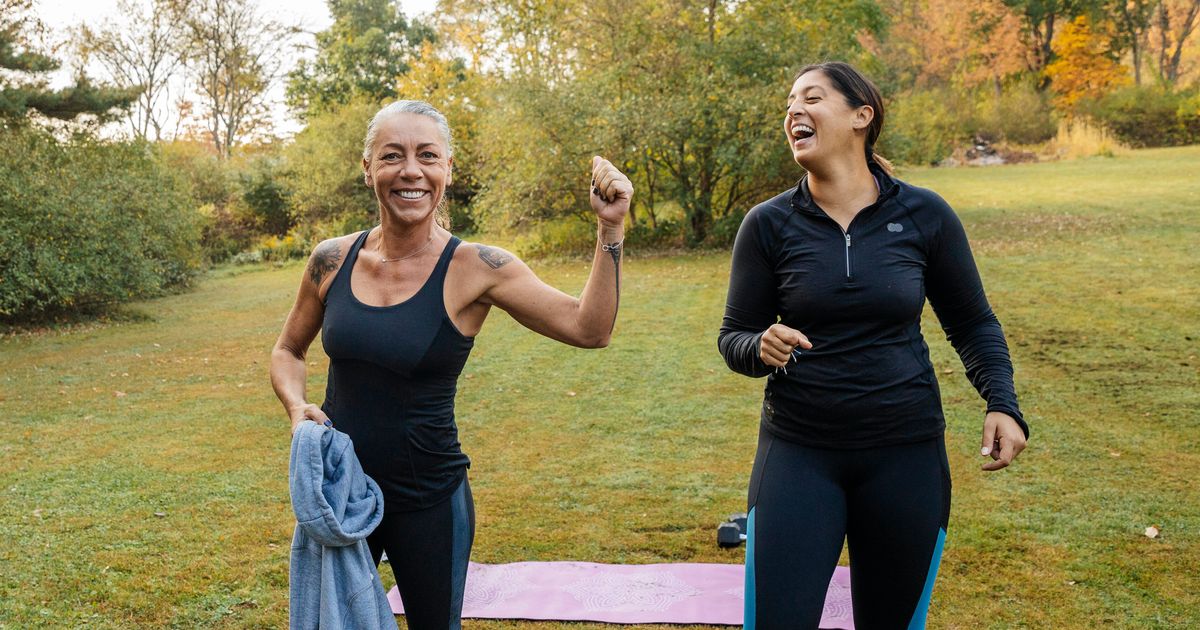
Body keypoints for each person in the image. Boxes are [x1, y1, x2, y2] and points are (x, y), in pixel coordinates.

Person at [270, 100, 632, 630]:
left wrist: (610, 228)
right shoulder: (331, 259)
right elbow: (288, 350)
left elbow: (589, 328)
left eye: (427, 156)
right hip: (341, 490)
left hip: (430, 500)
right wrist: (296, 406)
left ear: (447, 169)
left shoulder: (477, 267)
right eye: (392, 156)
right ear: (368, 168)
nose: (410, 171)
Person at [717, 62, 1028, 629]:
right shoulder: (768, 224)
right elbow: (732, 336)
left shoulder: (924, 215)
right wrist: (758, 345)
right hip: (798, 452)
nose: (793, 111)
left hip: (906, 455)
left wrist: (1002, 403)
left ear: (862, 116)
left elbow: (973, 323)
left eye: (812, 98)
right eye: (789, 103)